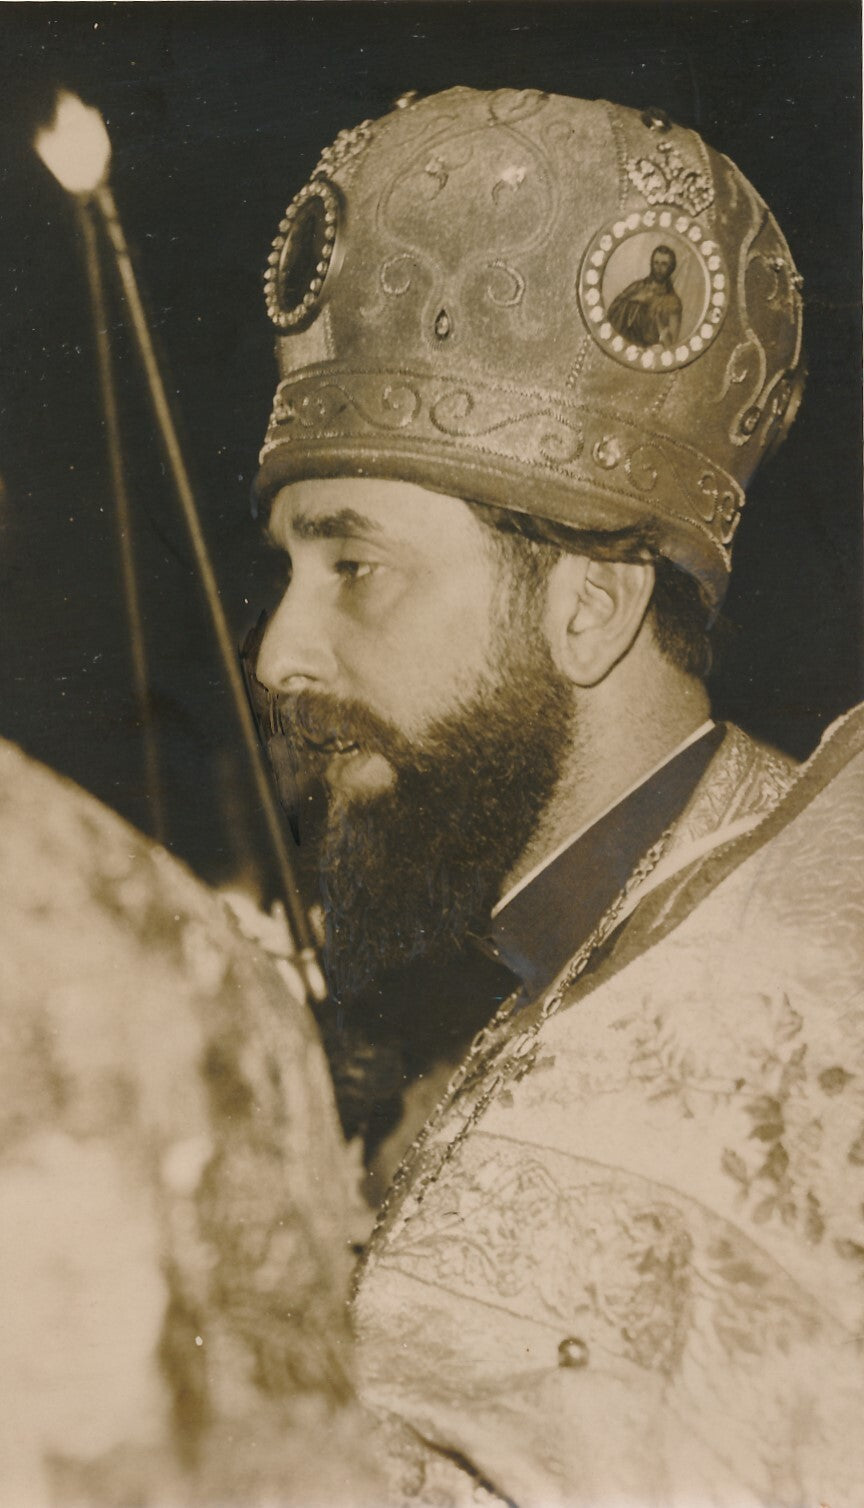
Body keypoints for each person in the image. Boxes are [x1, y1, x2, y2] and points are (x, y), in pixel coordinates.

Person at [251, 88, 864, 1506]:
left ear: (591, 604)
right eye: (285, 569)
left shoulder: (806, 986)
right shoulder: (546, 958)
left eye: (355, 566)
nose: (278, 653)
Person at [607, 243, 682, 348]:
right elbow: (612, 312)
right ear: (651, 264)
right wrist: (634, 299)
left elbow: (672, 342)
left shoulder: (673, 301)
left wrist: (658, 320)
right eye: (656, 263)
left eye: (664, 264)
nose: (659, 268)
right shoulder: (637, 287)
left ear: (671, 267)